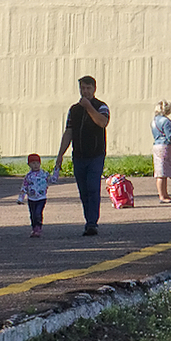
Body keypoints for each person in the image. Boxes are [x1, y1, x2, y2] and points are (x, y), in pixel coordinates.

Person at [51, 75, 112, 235]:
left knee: (93, 187)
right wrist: (60, 155)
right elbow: (69, 132)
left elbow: (102, 122)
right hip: (78, 155)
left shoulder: (101, 106)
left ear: (94, 89)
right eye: (83, 88)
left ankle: (92, 222)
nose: (85, 92)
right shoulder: (74, 109)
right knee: (83, 190)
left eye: (88, 88)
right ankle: (88, 220)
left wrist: (89, 107)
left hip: (96, 155)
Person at [151, 99, 171, 203]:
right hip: (165, 145)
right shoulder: (166, 121)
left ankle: (163, 194)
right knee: (163, 172)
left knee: (160, 171)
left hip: (156, 144)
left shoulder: (154, 121)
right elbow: (170, 136)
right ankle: (163, 196)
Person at [21, 152, 50, 237]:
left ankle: (38, 228)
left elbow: (53, 179)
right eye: (33, 163)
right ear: (29, 164)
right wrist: (21, 198)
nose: (36, 165)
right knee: (32, 214)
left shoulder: (44, 174)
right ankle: (34, 228)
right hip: (31, 198)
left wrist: (57, 170)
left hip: (41, 198)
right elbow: (24, 187)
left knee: (38, 213)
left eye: (37, 163)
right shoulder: (28, 176)